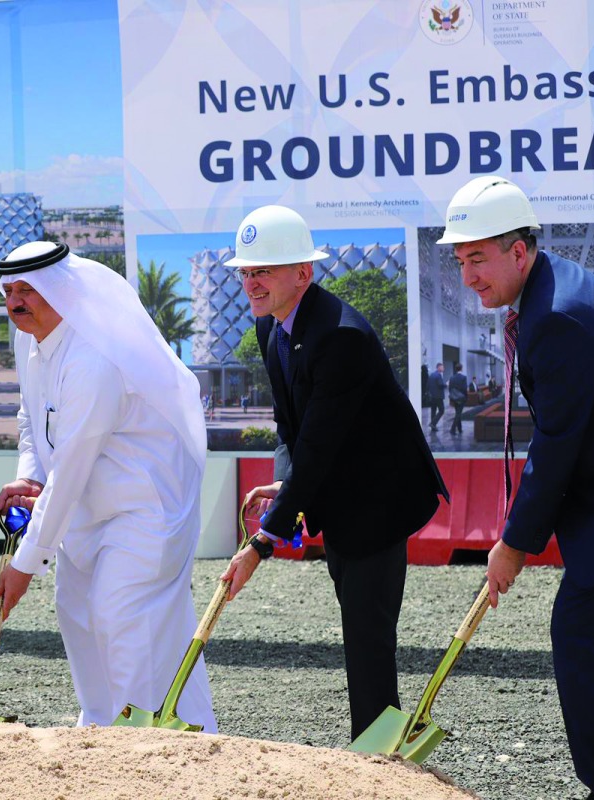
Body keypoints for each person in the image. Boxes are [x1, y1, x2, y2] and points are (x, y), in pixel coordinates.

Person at [218, 205, 447, 741]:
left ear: (304, 273)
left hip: (378, 502)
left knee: (367, 635)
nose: (252, 282)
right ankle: (378, 745)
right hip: (339, 492)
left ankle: (378, 757)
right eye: (246, 272)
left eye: (264, 271)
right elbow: (290, 428)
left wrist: (262, 542)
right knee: (360, 629)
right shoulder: (270, 327)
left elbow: (318, 447)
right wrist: (283, 481)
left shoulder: (340, 335)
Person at [0, 241, 217, 731]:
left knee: (120, 616)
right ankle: (104, 730)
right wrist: (29, 474)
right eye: (9, 290)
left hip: (145, 509)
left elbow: (71, 464)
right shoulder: (29, 340)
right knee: (76, 615)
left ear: (62, 289)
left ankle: (134, 742)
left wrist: (26, 564)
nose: (15, 301)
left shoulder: (91, 355)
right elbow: (31, 418)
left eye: (28, 289)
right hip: (86, 510)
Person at [439, 175, 594, 799]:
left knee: (580, 635)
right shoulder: (551, 293)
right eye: (461, 261)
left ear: (520, 250)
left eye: (478, 258)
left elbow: (558, 446)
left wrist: (514, 544)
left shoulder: (557, 317)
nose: (468, 278)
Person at [448, 362, 468, 435]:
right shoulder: (463, 377)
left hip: (454, 398)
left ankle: (459, 429)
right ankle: (452, 429)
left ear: (455, 369)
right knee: (458, 414)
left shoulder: (452, 377)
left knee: (457, 412)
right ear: (461, 368)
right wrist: (465, 396)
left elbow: (450, 388)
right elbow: (464, 388)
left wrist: (453, 395)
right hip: (461, 398)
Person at [427, 362, 446, 431]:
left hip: (432, 396)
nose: (443, 368)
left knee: (433, 411)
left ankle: (433, 427)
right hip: (438, 396)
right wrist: (446, 384)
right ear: (438, 367)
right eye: (442, 367)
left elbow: (428, 385)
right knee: (442, 410)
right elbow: (440, 385)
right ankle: (433, 423)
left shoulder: (431, 375)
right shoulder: (438, 375)